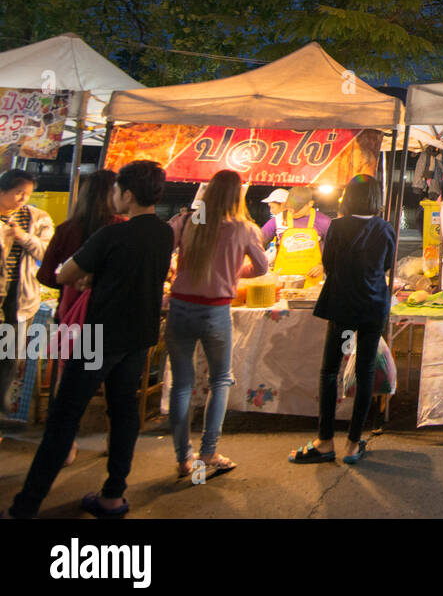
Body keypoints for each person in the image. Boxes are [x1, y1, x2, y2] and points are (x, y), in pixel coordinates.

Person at [6, 161, 173, 518]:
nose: (113, 196)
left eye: (117, 190)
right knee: (125, 413)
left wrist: (87, 277)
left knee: (64, 418)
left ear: (127, 194)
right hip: (138, 336)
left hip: (97, 337)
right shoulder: (163, 233)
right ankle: (113, 496)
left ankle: (26, 506)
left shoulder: (111, 235)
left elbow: (64, 272)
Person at [167, 170, 269, 480]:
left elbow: (163, 254)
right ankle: (209, 451)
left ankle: (184, 458)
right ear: (238, 196)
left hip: (180, 307)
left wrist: (175, 268)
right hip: (215, 311)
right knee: (220, 380)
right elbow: (262, 267)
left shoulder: (186, 221)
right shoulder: (243, 228)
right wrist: (233, 271)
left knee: (182, 384)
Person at [290, 175, 396, 466]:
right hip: (373, 306)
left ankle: (325, 441)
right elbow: (387, 264)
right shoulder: (385, 228)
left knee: (329, 371)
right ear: (376, 198)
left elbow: (330, 265)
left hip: (342, 305)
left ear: (348, 196)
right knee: (364, 373)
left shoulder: (337, 227)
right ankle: (352, 443)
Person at [36, 169, 122, 464]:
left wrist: (72, 280)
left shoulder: (66, 229)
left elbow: (46, 275)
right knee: (112, 381)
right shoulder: (120, 228)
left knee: (66, 377)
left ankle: (66, 445)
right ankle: (114, 441)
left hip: (70, 315)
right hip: (108, 316)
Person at [0, 168, 54, 418]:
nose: (22, 199)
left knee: (9, 358)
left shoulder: (38, 219)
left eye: (27, 194)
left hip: (18, 300)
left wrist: (23, 237)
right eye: (17, 193)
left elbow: (47, 253)